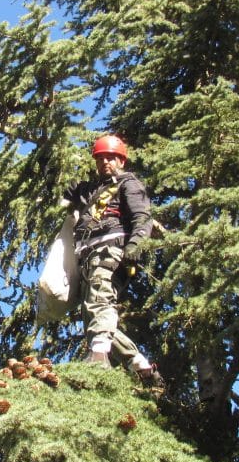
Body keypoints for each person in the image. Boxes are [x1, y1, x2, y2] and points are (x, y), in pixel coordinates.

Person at [63, 134, 164, 388]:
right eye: (100, 158)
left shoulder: (129, 184)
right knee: (92, 315)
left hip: (111, 250)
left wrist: (134, 246)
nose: (105, 162)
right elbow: (64, 195)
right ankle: (141, 366)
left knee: (99, 301)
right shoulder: (91, 189)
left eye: (110, 158)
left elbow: (142, 217)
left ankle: (98, 357)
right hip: (87, 254)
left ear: (121, 160)